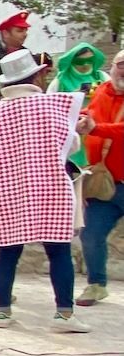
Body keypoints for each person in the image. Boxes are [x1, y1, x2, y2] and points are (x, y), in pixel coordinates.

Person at [0, 50, 89, 332]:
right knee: (58, 251)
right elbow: (72, 146)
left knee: (8, 252)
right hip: (49, 187)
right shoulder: (53, 107)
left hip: (8, 189)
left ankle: (4, 313)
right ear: (36, 76)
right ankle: (64, 314)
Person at [75, 49, 124, 305]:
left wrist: (97, 128)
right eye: (122, 64)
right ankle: (96, 285)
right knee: (91, 234)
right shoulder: (101, 90)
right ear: (113, 66)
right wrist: (82, 121)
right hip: (104, 183)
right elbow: (91, 118)